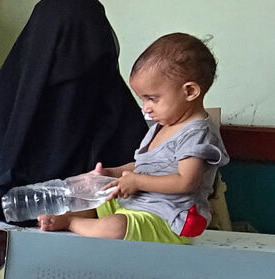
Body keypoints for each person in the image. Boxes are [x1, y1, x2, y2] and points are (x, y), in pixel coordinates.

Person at [0, 0, 148, 221]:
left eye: (88, 66)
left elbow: (154, 200)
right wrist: (22, 201)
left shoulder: (122, 122)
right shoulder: (4, 115)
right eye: (62, 71)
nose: (72, 83)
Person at [39, 33, 229, 242]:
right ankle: (69, 217)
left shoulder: (197, 134)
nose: (146, 108)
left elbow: (185, 182)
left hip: (168, 219)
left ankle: (72, 223)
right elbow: (144, 166)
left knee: (116, 227)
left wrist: (138, 182)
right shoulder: (162, 126)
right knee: (101, 197)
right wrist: (115, 173)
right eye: (143, 99)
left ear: (190, 91)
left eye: (152, 99)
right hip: (139, 206)